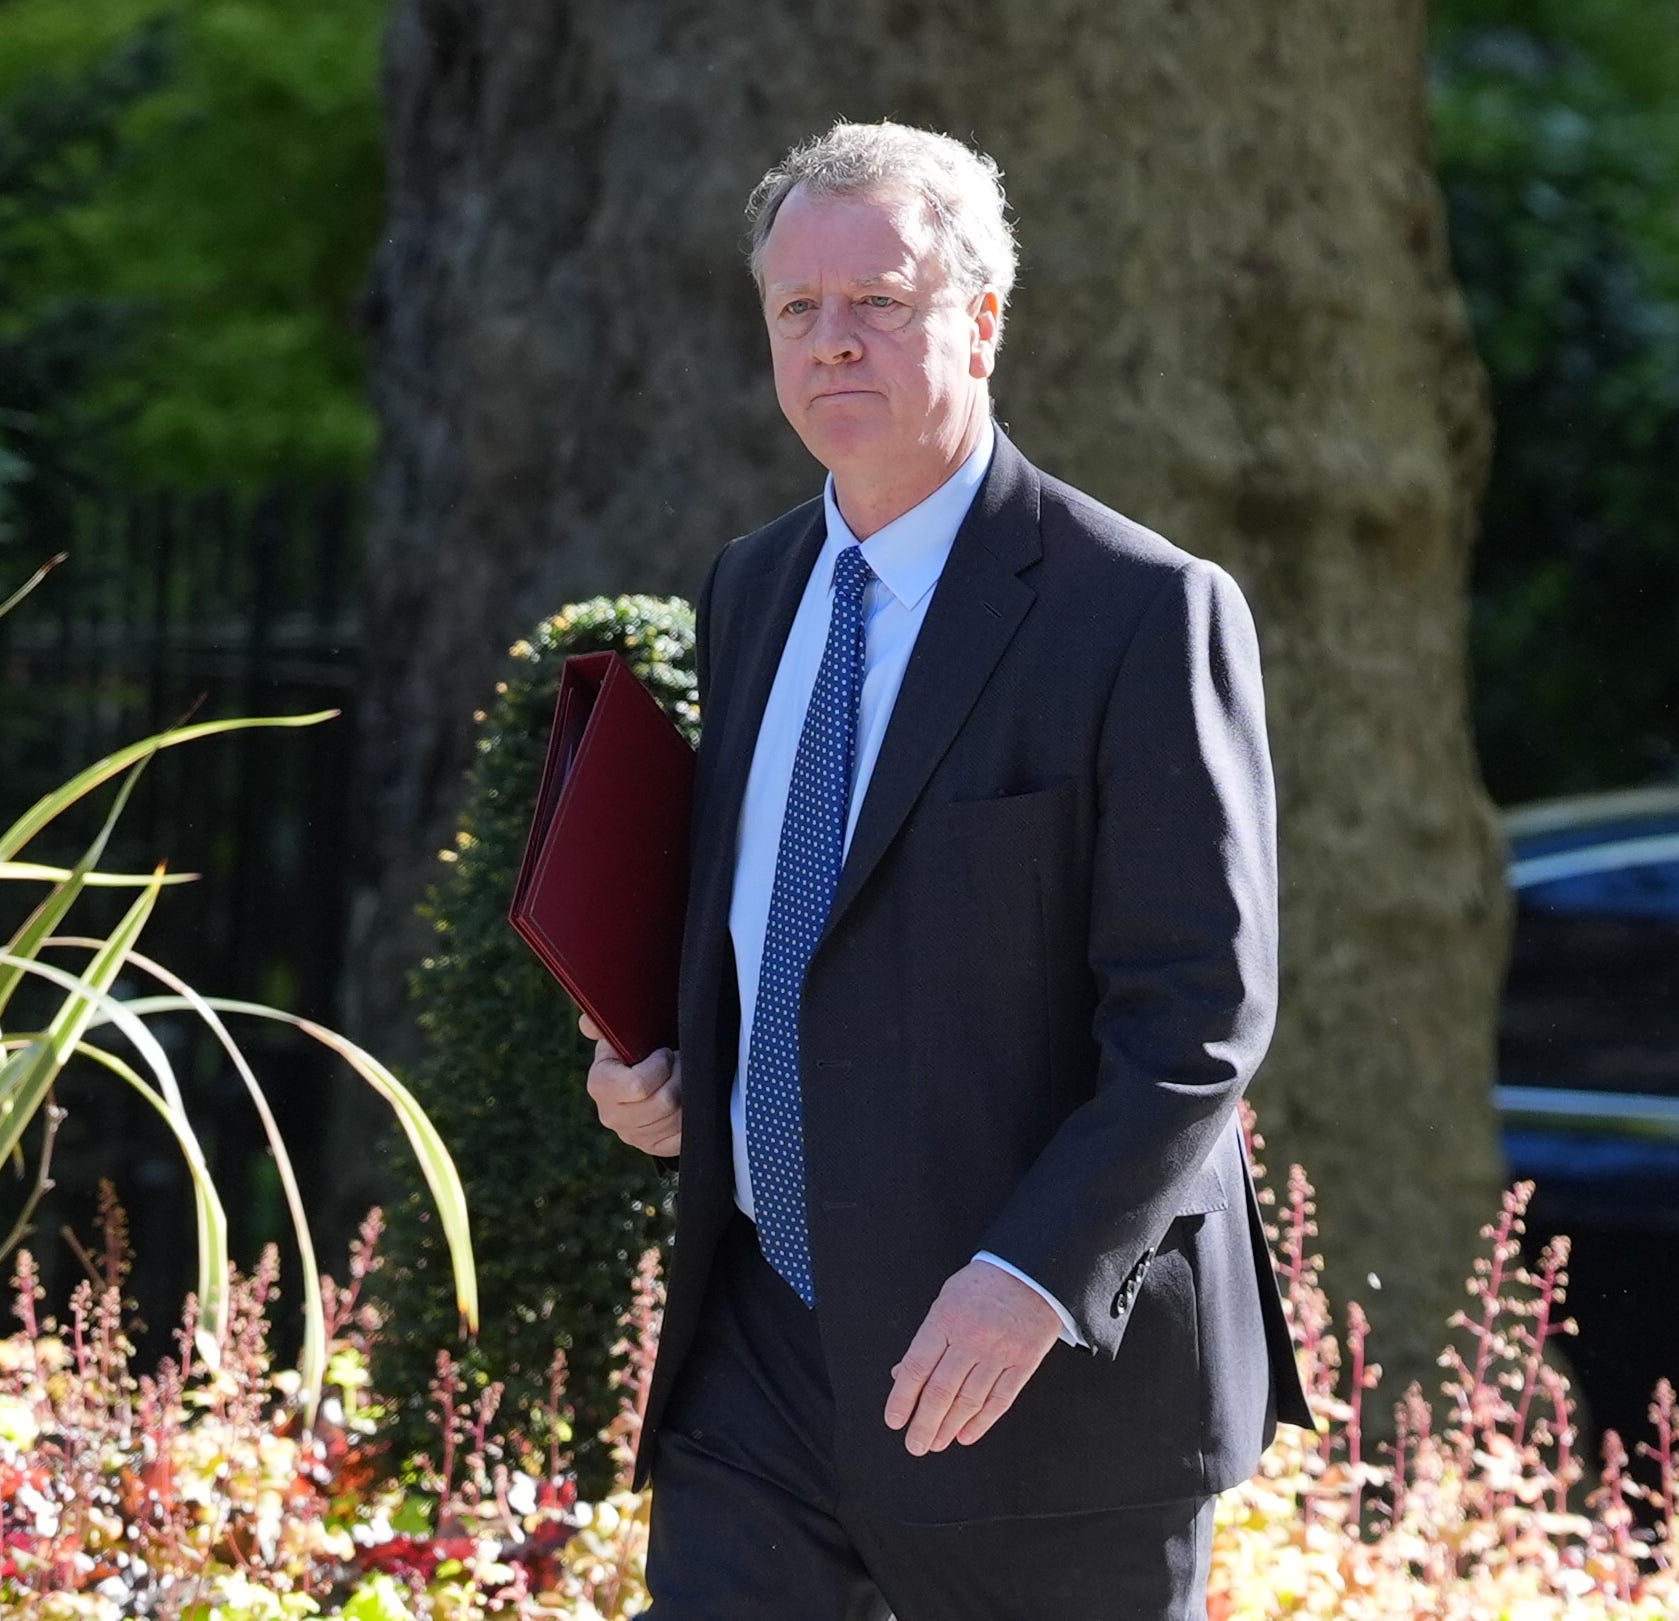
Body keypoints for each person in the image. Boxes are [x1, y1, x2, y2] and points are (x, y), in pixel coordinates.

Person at [578, 119, 1313, 1620]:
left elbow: (1198, 1021)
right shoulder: (751, 586)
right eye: (800, 309)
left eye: (881, 303)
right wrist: (664, 1064)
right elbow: (787, 923)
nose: (832, 342)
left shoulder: (1142, 613)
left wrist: (1034, 1274)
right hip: (763, 1351)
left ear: (982, 320)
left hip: (1037, 1374)